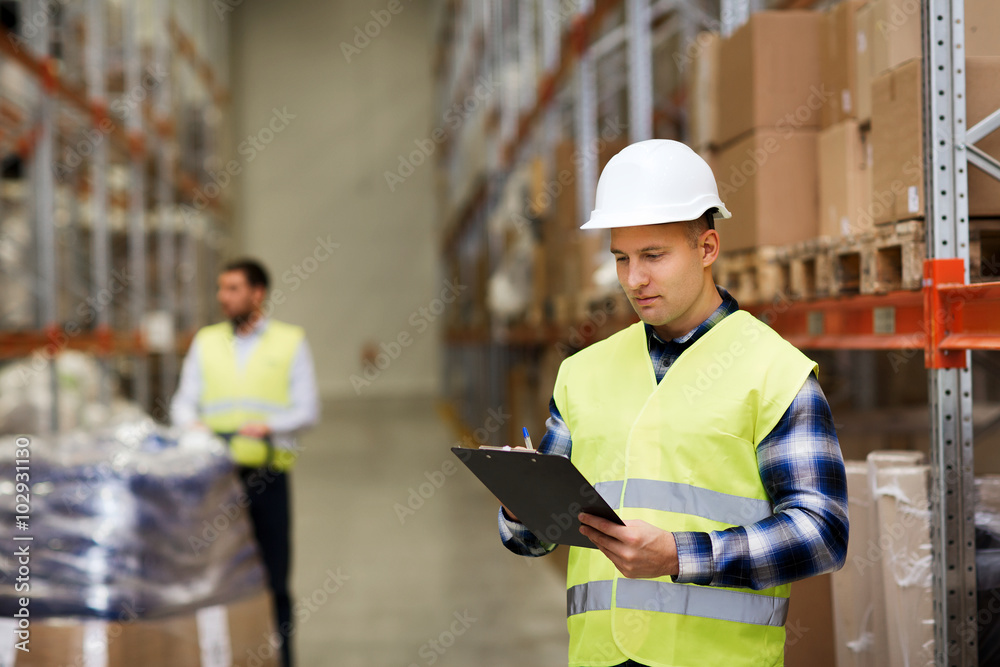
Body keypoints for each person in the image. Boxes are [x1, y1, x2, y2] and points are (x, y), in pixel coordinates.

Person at [499, 140, 849, 667]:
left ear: (707, 248)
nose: (634, 280)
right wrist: (517, 503)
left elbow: (822, 532)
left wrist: (682, 555)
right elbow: (537, 538)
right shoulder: (582, 372)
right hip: (599, 658)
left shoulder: (775, 372)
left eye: (653, 256)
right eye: (621, 259)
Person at [172, 258, 319, 667]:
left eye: (233, 289)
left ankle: (281, 657)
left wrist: (268, 425)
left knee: (274, 576)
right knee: (215, 574)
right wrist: (192, 425)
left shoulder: (289, 341)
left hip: (268, 475)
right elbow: (183, 402)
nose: (224, 297)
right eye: (221, 289)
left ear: (258, 294)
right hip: (217, 479)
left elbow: (308, 409)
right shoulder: (206, 342)